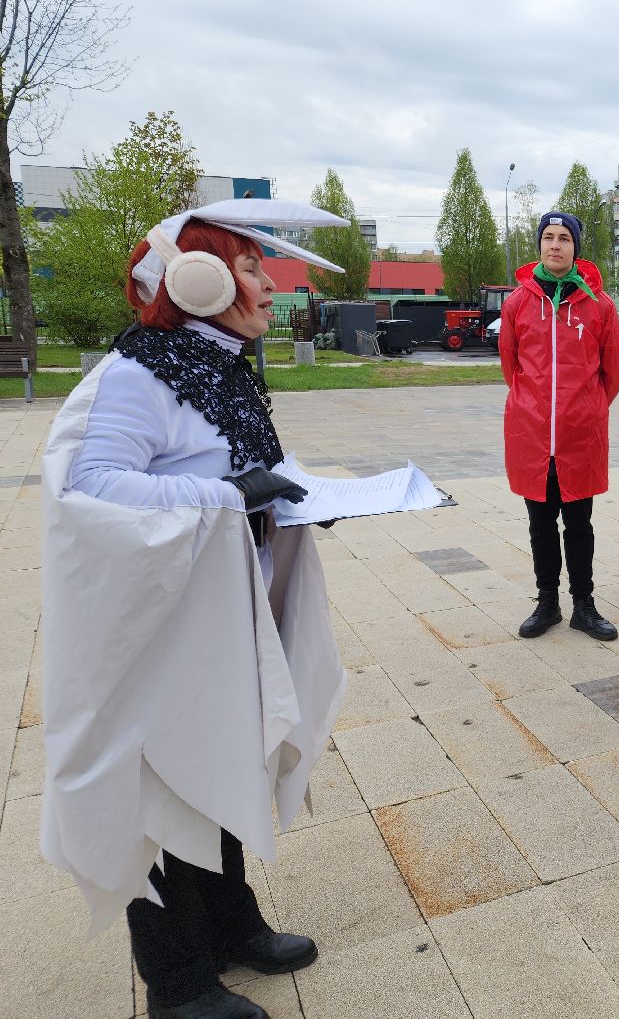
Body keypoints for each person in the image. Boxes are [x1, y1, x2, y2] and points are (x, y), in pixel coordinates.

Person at [40, 200, 351, 1019]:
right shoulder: (140, 373)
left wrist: (290, 499)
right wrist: (224, 494)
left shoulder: (218, 366)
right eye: (250, 266)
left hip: (219, 613)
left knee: (219, 761)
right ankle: (176, 982)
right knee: (161, 780)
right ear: (197, 279)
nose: (266, 283)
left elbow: (244, 470)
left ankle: (229, 927)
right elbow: (88, 486)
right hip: (162, 629)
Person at [500, 211, 619, 642]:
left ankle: (584, 605)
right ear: (539, 245)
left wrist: (584, 410)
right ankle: (547, 601)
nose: (555, 245)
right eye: (548, 238)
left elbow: (614, 373)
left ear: (576, 248)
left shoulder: (599, 306)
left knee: (579, 523)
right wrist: (537, 409)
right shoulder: (517, 303)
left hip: (578, 437)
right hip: (532, 436)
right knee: (539, 524)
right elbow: (511, 367)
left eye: (564, 239)